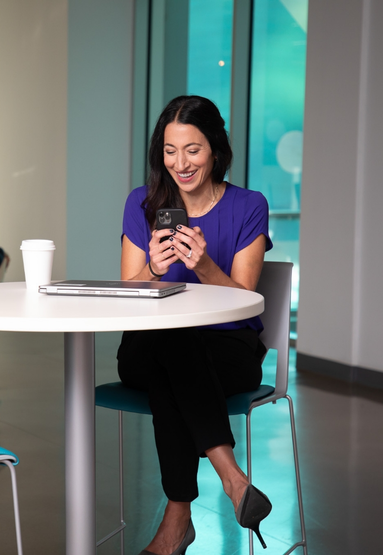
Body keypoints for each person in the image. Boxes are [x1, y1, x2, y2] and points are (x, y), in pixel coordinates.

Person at [117, 95, 273, 555]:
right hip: (147, 352)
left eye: (193, 149)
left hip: (229, 352)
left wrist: (203, 265)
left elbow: (245, 301)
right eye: (169, 150)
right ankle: (232, 476)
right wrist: (155, 272)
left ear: (216, 151)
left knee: (176, 364)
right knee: (172, 341)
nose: (180, 163)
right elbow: (129, 290)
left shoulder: (249, 206)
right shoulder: (141, 203)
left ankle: (177, 521)